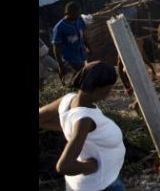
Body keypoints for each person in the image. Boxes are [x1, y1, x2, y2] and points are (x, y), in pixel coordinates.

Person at [38, 61, 126, 191]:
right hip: (100, 184)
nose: (109, 94)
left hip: (97, 181)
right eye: (108, 90)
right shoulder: (85, 118)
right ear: (96, 89)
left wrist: (69, 130)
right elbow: (64, 166)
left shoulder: (67, 100)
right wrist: (91, 167)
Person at [52, 2, 89, 81]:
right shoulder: (59, 28)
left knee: (81, 75)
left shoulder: (79, 20)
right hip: (70, 58)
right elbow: (56, 47)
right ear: (68, 13)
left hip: (82, 54)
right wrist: (60, 65)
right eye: (76, 13)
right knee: (81, 75)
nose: (78, 15)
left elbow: (83, 35)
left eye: (78, 13)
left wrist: (89, 47)